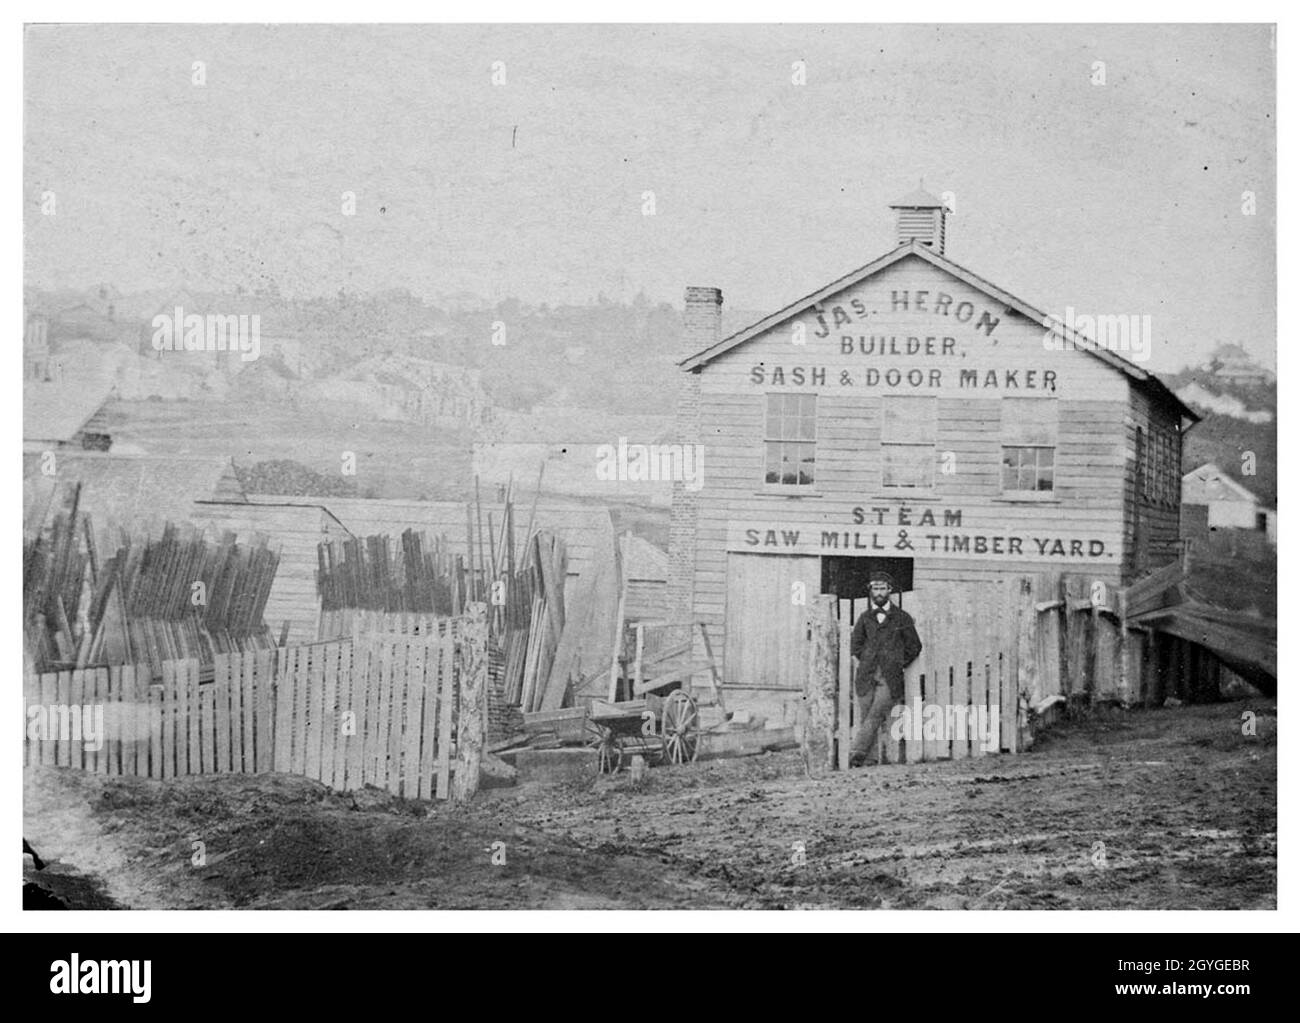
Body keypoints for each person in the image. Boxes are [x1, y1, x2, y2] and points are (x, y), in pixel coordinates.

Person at [849, 570, 922, 767]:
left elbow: (914, 646)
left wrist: (897, 661)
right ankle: (869, 760)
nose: (879, 592)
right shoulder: (864, 618)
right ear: (870, 591)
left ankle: (857, 750)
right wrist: (868, 659)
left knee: (876, 712)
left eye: (883, 588)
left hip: (890, 676)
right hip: (866, 674)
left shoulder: (902, 617)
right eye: (875, 588)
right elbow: (855, 645)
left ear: (889, 590)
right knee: (866, 715)